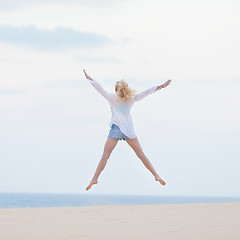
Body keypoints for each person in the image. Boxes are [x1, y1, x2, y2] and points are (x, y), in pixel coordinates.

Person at [83, 69, 172, 191]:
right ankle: (156, 175)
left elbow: (100, 89)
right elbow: (146, 92)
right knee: (141, 155)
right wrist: (161, 86)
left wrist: (90, 79)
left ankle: (94, 178)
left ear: (116, 89)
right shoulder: (131, 99)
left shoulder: (111, 97)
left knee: (105, 155)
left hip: (115, 130)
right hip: (129, 131)